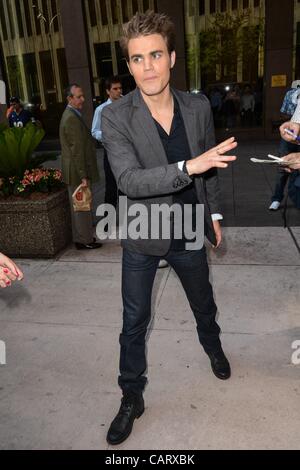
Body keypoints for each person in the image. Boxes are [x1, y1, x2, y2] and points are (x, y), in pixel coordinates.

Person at [101, 11, 237, 446]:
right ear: (129, 64)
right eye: (137, 59)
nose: (148, 67)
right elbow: (128, 181)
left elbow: (209, 171)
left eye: (155, 55)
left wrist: (213, 216)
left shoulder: (197, 107)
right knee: (134, 320)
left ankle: (213, 346)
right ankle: (131, 396)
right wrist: (186, 166)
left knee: (203, 301)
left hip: (190, 229)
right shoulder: (116, 117)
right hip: (143, 233)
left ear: (172, 57)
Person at [59, 84, 102, 250]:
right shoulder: (70, 118)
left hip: (76, 170)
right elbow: (76, 151)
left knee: (80, 206)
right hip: (77, 172)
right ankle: (85, 240)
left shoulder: (72, 114)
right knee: (81, 207)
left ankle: (81, 238)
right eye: (79, 97)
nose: (83, 99)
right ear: (70, 98)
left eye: (82, 95)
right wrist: (83, 175)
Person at [92, 76, 123, 209]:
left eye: (120, 88)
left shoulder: (126, 105)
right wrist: (108, 137)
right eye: (115, 89)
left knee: (125, 188)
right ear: (108, 91)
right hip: (110, 153)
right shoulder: (101, 110)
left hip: (126, 152)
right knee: (111, 188)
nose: (118, 91)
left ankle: (125, 223)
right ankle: (107, 226)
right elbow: (94, 131)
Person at [269, 81, 300, 211]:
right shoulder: (292, 94)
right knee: (283, 166)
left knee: (294, 181)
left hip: (296, 137)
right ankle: (276, 198)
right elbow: (286, 114)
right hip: (290, 137)